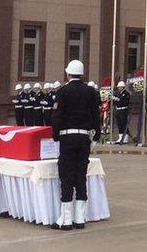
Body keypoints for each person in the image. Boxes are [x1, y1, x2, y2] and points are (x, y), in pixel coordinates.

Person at [51, 60, 101, 231]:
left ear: (68, 74)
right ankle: (79, 219)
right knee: (81, 175)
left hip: (67, 138)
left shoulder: (63, 92)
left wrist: (55, 136)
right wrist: (96, 136)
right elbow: (96, 115)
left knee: (66, 176)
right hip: (84, 138)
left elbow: (57, 117)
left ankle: (65, 220)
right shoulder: (91, 92)